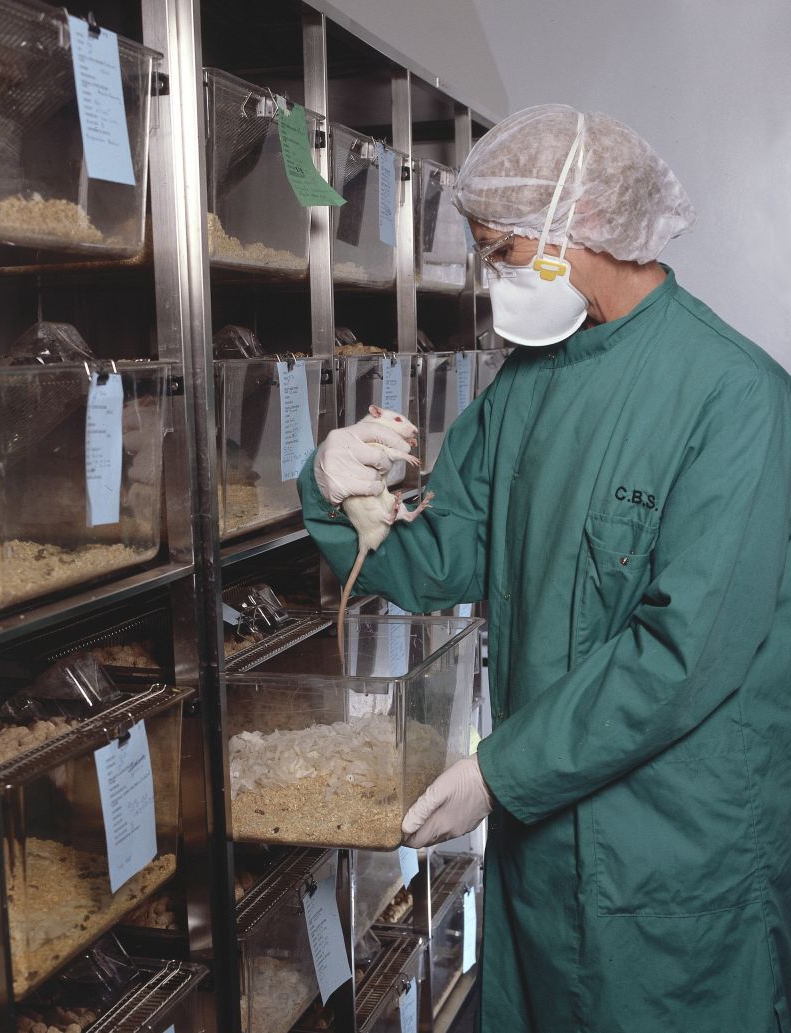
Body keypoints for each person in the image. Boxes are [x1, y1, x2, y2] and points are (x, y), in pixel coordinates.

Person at [298, 104, 791, 1032]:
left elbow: (682, 655)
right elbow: (441, 557)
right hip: (540, 856)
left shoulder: (737, 399)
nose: (494, 279)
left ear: (585, 226)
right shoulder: (525, 387)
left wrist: (501, 770)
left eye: (505, 251)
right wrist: (342, 495)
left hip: (675, 865)